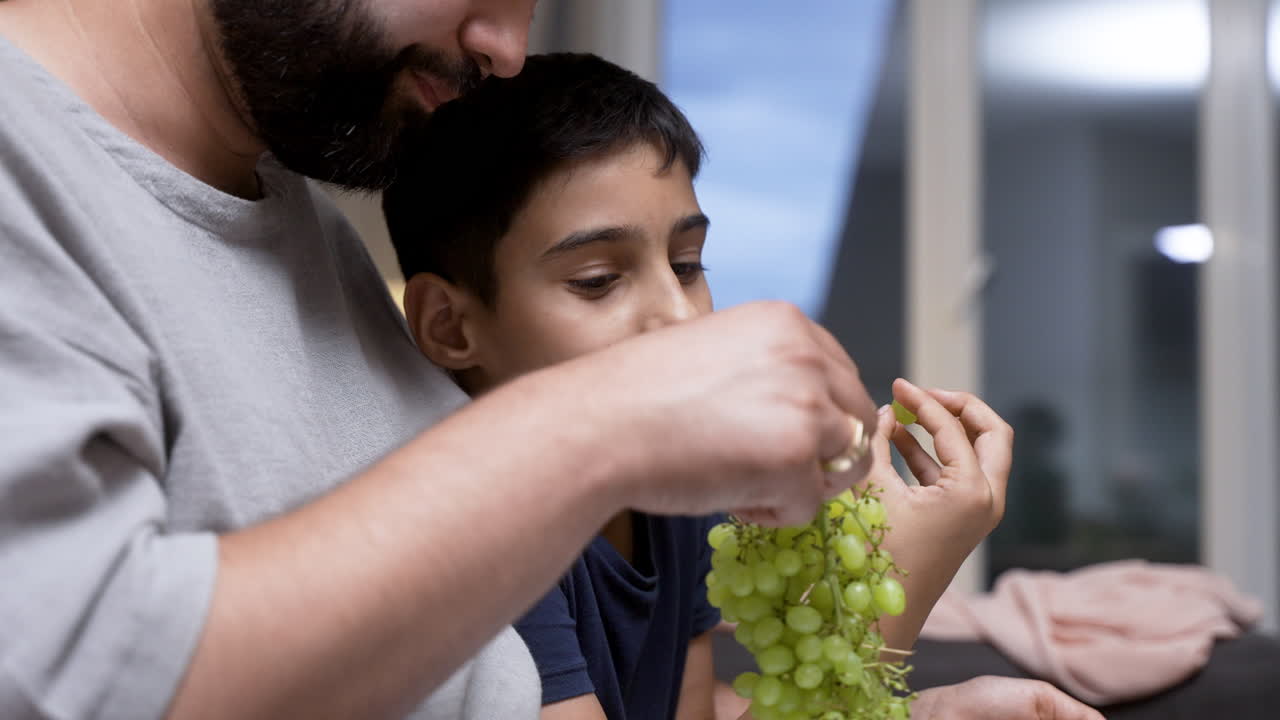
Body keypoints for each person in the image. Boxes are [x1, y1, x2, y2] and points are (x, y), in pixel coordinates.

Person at [0, 1, 1098, 719]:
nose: (505, 50)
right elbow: (85, 676)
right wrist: (614, 426)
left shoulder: (295, 216)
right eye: (594, 280)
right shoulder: (30, 165)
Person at [381, 53, 1098, 720]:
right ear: (449, 325)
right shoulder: (486, 543)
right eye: (598, 280)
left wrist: (933, 710)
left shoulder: (666, 502)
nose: (678, 314)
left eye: (688, 264)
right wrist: (894, 608)